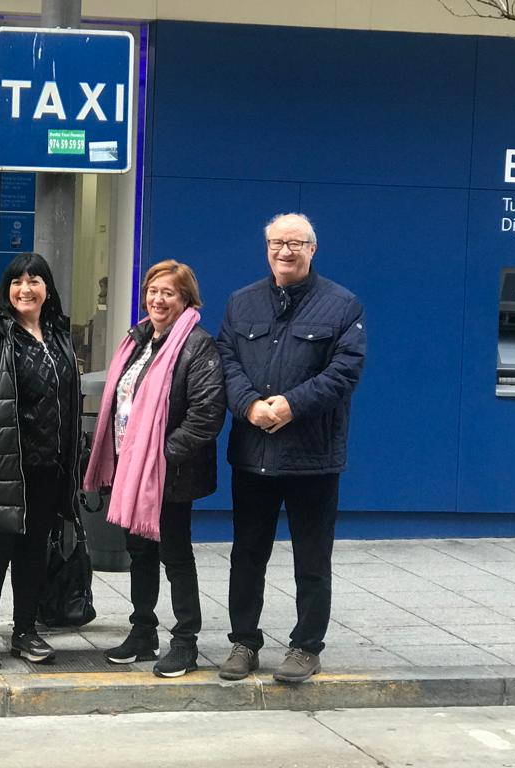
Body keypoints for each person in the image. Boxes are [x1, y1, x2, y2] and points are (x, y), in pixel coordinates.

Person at [216, 213, 366, 683]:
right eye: (278, 243)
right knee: (247, 554)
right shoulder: (241, 303)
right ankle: (244, 643)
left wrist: (290, 406)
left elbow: (344, 373)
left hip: (313, 458)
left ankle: (305, 647)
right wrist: (249, 405)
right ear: (267, 248)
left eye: (296, 243)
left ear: (312, 249)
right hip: (253, 453)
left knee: (312, 557)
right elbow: (226, 360)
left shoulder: (342, 305)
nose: (286, 251)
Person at [83, 260, 225, 677]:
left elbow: (206, 413)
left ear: (186, 300)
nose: (159, 299)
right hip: (131, 469)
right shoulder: (140, 338)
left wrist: (159, 457)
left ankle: (185, 642)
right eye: (153, 291)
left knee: (175, 556)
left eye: (169, 293)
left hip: (169, 473)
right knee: (139, 552)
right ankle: (143, 632)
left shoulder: (197, 345)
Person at [0, 252, 81, 668]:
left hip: (49, 467)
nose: (25, 289)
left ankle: (25, 630)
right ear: (6, 288)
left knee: (33, 551)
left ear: (48, 289)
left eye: (35, 281)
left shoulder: (59, 333)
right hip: (4, 465)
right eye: (17, 282)